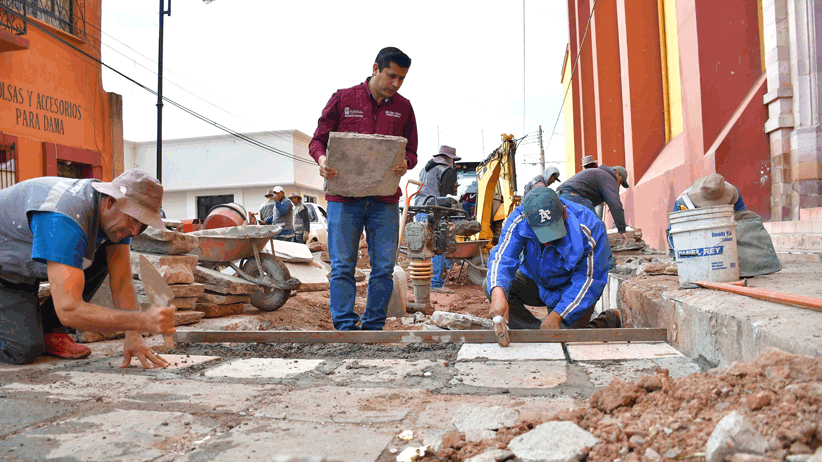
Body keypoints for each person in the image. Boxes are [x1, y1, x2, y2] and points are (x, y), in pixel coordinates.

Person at [0, 169, 176, 367]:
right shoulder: (64, 218)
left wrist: (134, 336)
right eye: (134, 219)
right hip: (5, 274)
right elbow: (69, 309)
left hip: (22, 266)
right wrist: (139, 320)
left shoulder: (115, 217)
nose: (135, 231)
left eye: (143, 224)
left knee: (101, 253)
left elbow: (121, 280)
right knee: (22, 349)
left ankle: (51, 330)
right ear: (111, 201)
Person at [309, 46, 418, 331]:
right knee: (343, 266)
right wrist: (321, 160)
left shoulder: (404, 108)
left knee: (383, 267)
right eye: (391, 76)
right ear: (375, 69)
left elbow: (413, 152)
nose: (396, 84)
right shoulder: (343, 98)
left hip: (384, 201)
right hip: (344, 200)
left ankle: (372, 328)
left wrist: (405, 163)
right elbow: (317, 141)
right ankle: (345, 328)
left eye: (402, 79)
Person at [485, 187, 621, 334]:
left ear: (564, 212)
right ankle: (539, 333)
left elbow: (589, 280)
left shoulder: (590, 227)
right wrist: (498, 293)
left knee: (566, 338)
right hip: (535, 282)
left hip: (569, 289)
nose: (547, 241)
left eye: (553, 230)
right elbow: (502, 257)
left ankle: (607, 321)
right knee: (492, 286)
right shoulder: (520, 219)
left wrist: (558, 315)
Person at [667, 173, 781, 277]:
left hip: (721, 236)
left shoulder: (732, 193)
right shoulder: (683, 202)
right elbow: (673, 234)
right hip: (694, 238)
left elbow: (742, 221)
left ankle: (752, 265)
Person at [414, 145, 460, 294]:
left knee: (425, 247)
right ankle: (436, 283)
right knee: (439, 246)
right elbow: (447, 196)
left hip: (420, 209)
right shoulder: (447, 170)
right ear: (449, 159)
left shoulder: (425, 169)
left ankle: (426, 281)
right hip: (435, 210)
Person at [556, 164, 631, 244]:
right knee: (597, 227)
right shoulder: (609, 177)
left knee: (575, 230)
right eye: (621, 181)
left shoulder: (599, 174)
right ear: (616, 173)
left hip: (561, 196)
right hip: (574, 196)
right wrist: (622, 229)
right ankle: (602, 256)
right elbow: (615, 205)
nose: (619, 185)